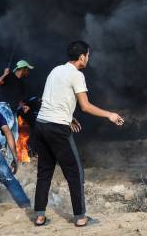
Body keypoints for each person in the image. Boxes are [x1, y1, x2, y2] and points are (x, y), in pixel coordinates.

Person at [33, 40, 124, 228]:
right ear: (82, 57)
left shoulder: (55, 70)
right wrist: (110, 115)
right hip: (57, 128)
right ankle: (80, 217)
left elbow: (49, 99)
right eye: (88, 55)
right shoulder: (77, 75)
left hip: (41, 125)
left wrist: (69, 116)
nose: (88, 58)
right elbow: (86, 106)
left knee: (44, 172)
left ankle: (40, 216)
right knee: (75, 173)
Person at [0, 59, 34, 162]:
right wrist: (4, 74)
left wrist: (23, 106)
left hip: (13, 111)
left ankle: (9, 163)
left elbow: (18, 100)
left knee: (14, 136)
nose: (28, 72)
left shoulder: (22, 85)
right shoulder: (9, 76)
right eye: (27, 70)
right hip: (3, 107)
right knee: (3, 133)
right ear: (23, 69)